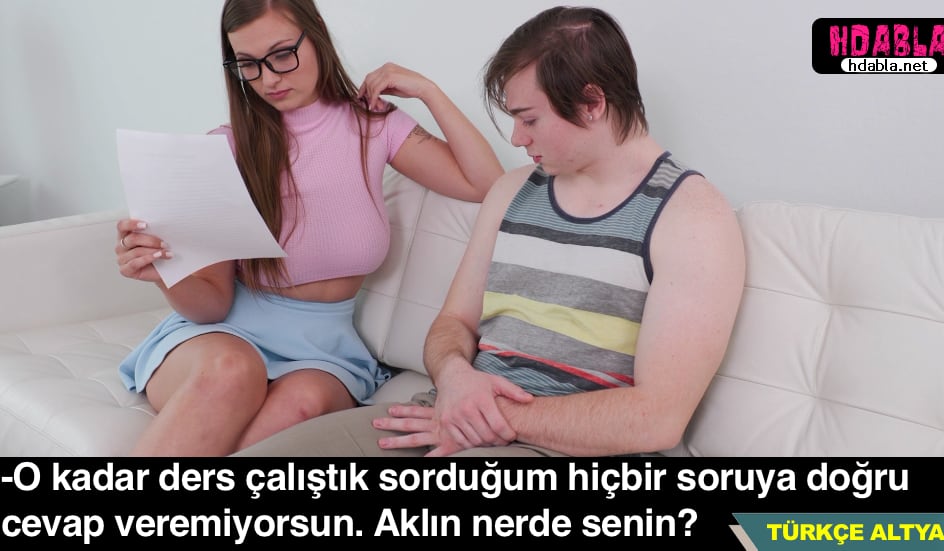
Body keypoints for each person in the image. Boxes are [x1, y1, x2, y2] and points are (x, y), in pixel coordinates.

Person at [235, 5, 745, 458]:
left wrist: (488, 417)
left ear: (592, 103)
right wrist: (455, 375)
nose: (517, 138)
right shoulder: (514, 190)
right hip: (444, 412)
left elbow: (656, 419)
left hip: (552, 445)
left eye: (529, 120)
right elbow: (452, 323)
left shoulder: (692, 218)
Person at [115, 0, 503, 456]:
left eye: (282, 55)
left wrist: (429, 91)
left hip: (325, 350)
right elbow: (211, 306)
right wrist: (165, 273)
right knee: (231, 372)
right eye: (248, 65)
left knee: (301, 406)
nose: (269, 79)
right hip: (221, 339)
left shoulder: (373, 124)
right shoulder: (225, 150)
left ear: (315, 31)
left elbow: (486, 184)